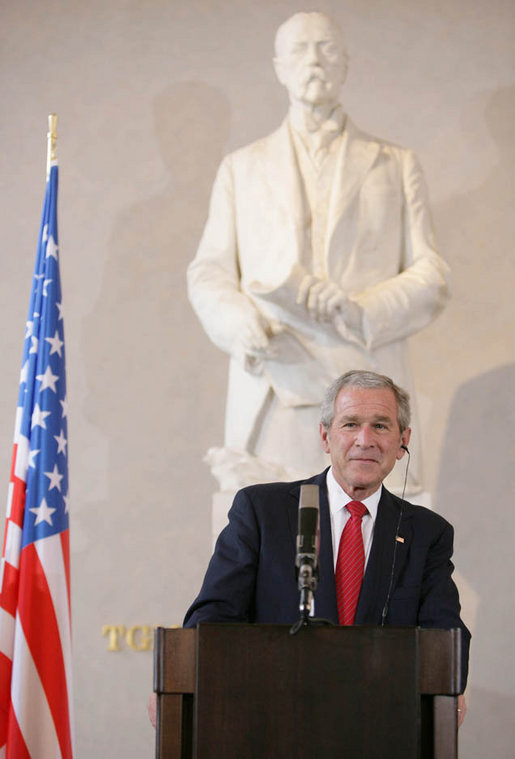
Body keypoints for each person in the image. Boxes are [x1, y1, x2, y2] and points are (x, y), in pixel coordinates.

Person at [187, 11, 450, 495]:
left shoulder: (394, 165)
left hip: (367, 390)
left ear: (345, 63)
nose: (313, 60)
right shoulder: (242, 168)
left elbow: (431, 274)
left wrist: (362, 308)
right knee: (269, 540)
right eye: (299, 50)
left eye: (326, 48)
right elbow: (209, 271)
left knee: (371, 545)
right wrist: (238, 321)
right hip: (274, 382)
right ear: (279, 66)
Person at [182, 370, 469, 724]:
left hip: (380, 726)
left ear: (403, 440)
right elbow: (212, 618)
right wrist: (180, 684)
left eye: (381, 426)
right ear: (325, 435)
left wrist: (447, 686)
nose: (365, 440)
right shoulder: (262, 511)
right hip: (270, 721)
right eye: (350, 424)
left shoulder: (427, 533)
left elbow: (446, 638)